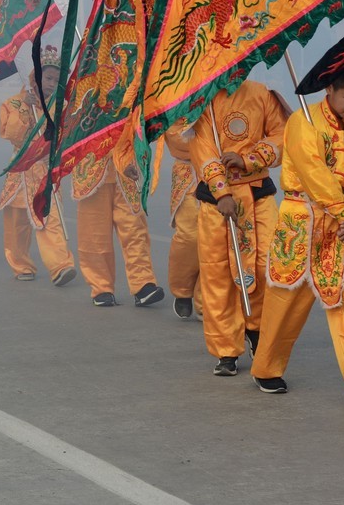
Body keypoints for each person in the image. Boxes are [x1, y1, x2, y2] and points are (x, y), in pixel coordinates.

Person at [250, 61, 344, 406]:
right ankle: (266, 368)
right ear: (329, 89)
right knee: (286, 303)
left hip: (343, 231)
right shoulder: (302, 121)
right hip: (301, 222)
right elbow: (313, 173)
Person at [187, 80, 286, 376]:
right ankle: (225, 349)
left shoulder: (261, 94)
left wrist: (249, 159)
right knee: (218, 274)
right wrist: (223, 193)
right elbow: (201, 147)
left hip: (258, 197)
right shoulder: (200, 99)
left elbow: (282, 134)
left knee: (266, 266)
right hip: (216, 203)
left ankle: (257, 330)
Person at [0, 55, 78, 286]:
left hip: (44, 171)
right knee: (16, 224)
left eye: (56, 79)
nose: (51, 83)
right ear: (36, 76)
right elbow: (12, 135)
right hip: (20, 172)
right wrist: (25, 106)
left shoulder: (60, 105)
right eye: (48, 78)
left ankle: (61, 266)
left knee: (49, 218)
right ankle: (21, 264)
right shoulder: (13, 103)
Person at [73, 124, 163, 308]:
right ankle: (101, 287)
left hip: (126, 167)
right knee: (94, 234)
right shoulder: (76, 95)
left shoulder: (131, 94)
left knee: (134, 229)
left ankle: (143, 284)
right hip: (91, 167)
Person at [164, 132, 201, 319]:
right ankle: (183, 289)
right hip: (189, 174)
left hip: (226, 172)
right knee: (189, 236)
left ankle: (206, 300)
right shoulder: (177, 103)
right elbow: (176, 136)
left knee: (218, 238)